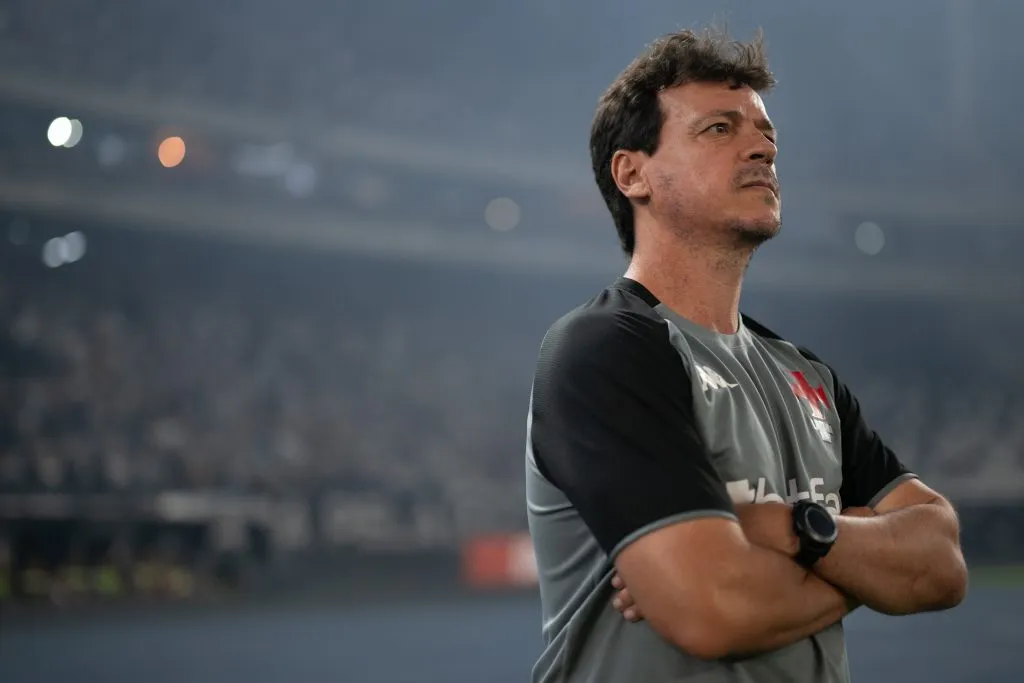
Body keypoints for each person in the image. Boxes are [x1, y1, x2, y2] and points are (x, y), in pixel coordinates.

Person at [524, 27, 968, 683]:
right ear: (633, 172)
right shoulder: (603, 350)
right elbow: (715, 610)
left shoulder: (805, 373)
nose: (761, 147)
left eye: (766, 135)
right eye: (719, 130)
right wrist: (869, 570)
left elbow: (940, 560)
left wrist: (797, 529)